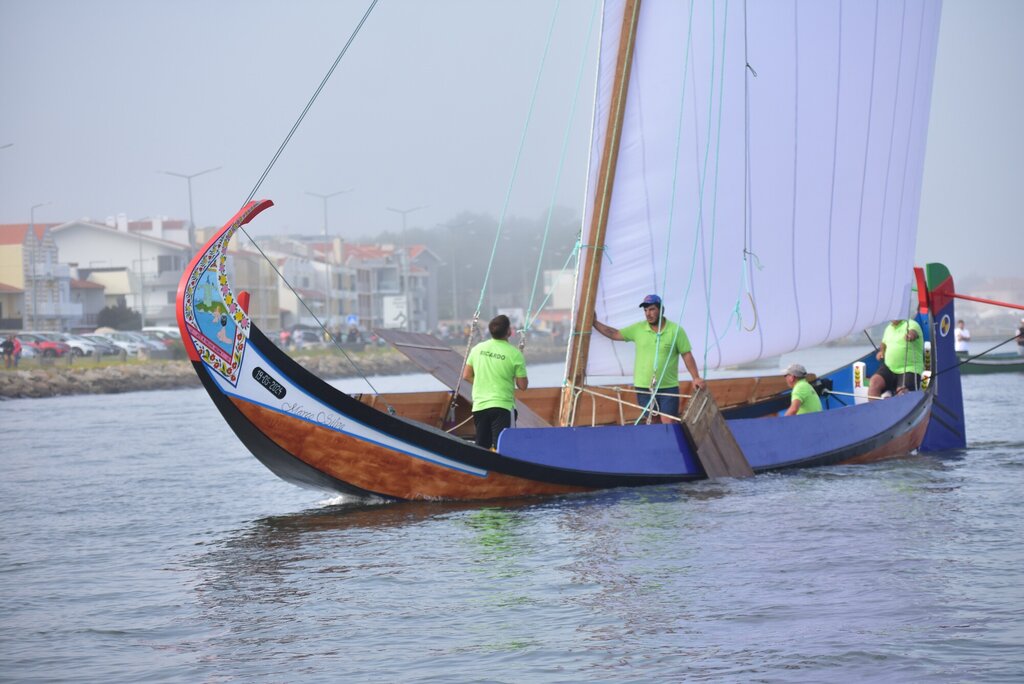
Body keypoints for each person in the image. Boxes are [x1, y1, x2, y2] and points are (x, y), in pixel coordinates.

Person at [593, 294, 705, 424]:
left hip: (668, 387)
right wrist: (594, 323)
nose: (648, 314)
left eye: (652, 309)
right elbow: (614, 334)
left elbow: (687, 355)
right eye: (645, 310)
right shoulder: (638, 329)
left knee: (668, 422)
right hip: (643, 386)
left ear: (661, 310)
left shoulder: (676, 331)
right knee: (652, 421)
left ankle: (670, 443)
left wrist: (696, 377)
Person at [462, 314, 528, 449]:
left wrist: (484, 382)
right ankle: (502, 470)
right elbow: (522, 386)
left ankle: (482, 469)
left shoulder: (477, 349)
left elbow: (466, 375)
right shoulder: (515, 354)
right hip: (502, 406)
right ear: (509, 332)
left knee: (482, 447)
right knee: (504, 447)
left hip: (480, 406)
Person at [869, 317, 924, 399]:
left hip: (909, 368)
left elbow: (914, 332)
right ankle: (874, 410)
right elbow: (883, 343)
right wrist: (881, 352)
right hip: (889, 368)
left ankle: (901, 410)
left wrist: (911, 335)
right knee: (874, 382)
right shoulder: (888, 328)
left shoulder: (911, 323)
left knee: (902, 392)